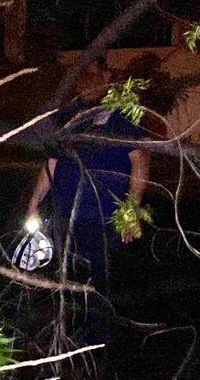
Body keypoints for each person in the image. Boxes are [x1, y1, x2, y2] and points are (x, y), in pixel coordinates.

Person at [23, 57, 152, 291]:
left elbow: (141, 161)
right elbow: (52, 162)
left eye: (91, 74)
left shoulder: (122, 115)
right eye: (81, 75)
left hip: (105, 218)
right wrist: (34, 204)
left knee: (100, 286)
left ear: (106, 76)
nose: (85, 81)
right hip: (65, 217)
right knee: (66, 282)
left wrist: (132, 209)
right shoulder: (70, 116)